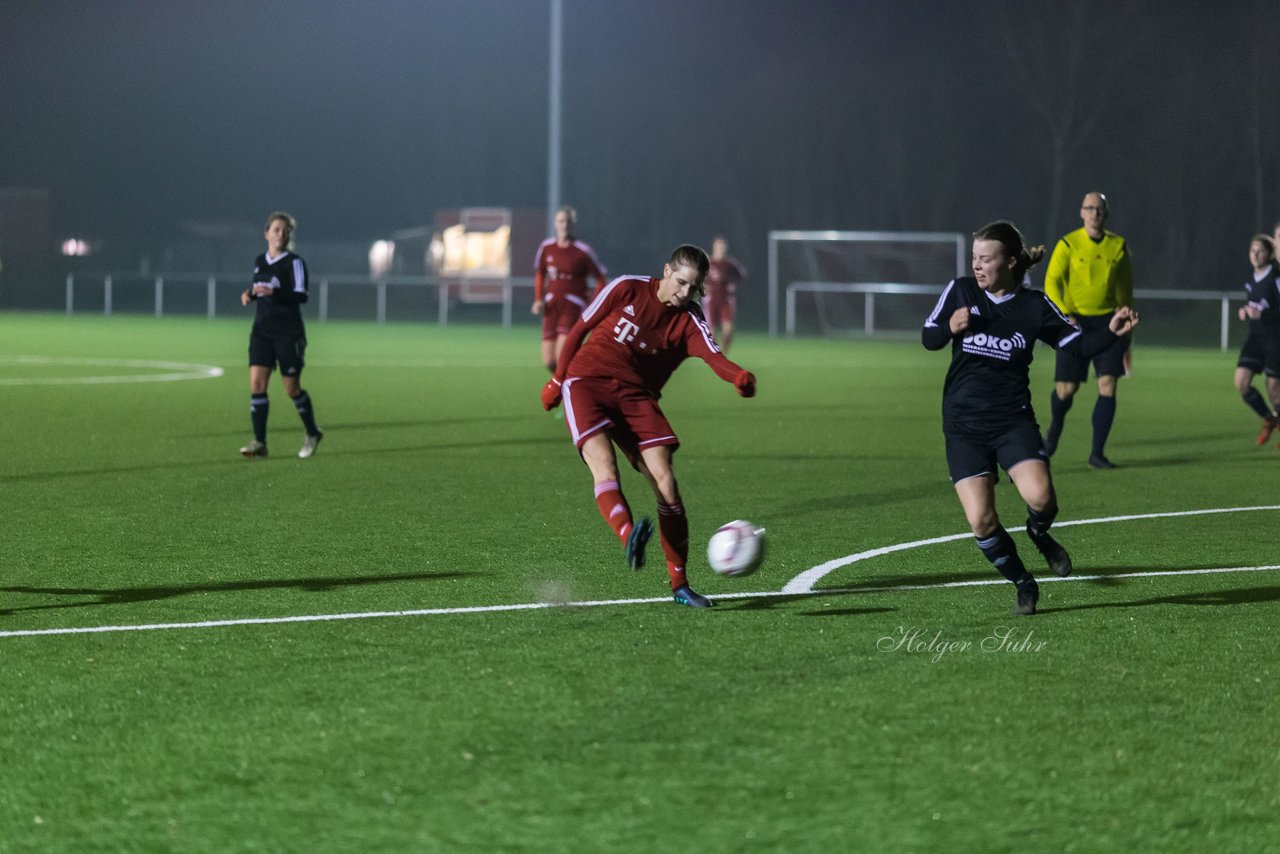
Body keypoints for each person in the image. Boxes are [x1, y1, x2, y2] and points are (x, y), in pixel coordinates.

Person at [922, 221, 1139, 616]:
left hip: (1012, 421)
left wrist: (1112, 332)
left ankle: (1038, 533)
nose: (977, 266)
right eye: (974, 258)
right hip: (963, 426)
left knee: (1042, 498)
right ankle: (1023, 582)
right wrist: (948, 328)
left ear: (1010, 262)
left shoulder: (1034, 306)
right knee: (982, 522)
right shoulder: (960, 291)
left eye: (986, 259)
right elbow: (928, 335)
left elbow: (1078, 346)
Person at [540, 244, 757, 609]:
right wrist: (557, 381)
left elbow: (714, 356)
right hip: (587, 382)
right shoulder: (627, 287)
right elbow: (581, 328)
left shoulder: (689, 321)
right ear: (667, 271)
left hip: (637, 398)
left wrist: (739, 377)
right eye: (681, 282)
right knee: (604, 465)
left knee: (667, 484)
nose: (685, 292)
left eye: (694, 286)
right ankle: (629, 536)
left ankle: (680, 585)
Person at [1041, 192, 1134, 468]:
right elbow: (1051, 282)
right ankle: (1054, 430)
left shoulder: (1118, 246)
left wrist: (1125, 320)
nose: (1094, 213)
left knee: (1107, 384)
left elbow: (1125, 287)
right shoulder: (1068, 243)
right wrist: (1064, 315)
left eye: (1099, 209)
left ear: (1106, 214)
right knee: (1066, 390)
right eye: (1089, 208)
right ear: (1081, 212)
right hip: (1074, 323)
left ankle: (1097, 453)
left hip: (1109, 322)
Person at [238, 211, 323, 459]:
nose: (281, 235)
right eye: (276, 230)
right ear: (266, 234)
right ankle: (260, 442)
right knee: (257, 384)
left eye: (286, 231)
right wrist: (250, 294)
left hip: (288, 333)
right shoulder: (259, 261)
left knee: (291, 388)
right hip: (262, 331)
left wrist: (272, 294)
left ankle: (312, 432)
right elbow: (261, 289)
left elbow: (301, 296)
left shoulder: (294, 262)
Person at [532, 206, 608, 373]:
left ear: (573, 224)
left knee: (561, 357)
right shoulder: (546, 247)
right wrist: (538, 299)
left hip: (573, 306)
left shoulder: (582, 251)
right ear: (555, 224)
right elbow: (540, 273)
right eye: (560, 221)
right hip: (551, 306)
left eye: (567, 221)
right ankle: (568, 384)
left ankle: (570, 390)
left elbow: (601, 278)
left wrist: (595, 304)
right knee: (549, 361)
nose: (564, 225)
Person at [1234, 234, 1280, 443]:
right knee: (1241, 383)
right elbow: (1254, 306)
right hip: (1256, 339)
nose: (1255, 254)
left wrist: (1263, 314)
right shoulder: (1250, 278)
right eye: (1252, 250)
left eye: (1260, 250)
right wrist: (1245, 311)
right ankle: (1269, 419)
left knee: (1274, 388)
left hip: (1275, 339)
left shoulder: (1276, 278)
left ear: (1269, 254)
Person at [703, 236, 746, 350]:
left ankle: (723, 353)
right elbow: (699, 277)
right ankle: (714, 352)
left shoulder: (730, 264)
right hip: (711, 299)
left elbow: (741, 277)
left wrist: (734, 285)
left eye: (723, 246)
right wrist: (703, 286)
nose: (721, 249)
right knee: (711, 331)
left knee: (728, 329)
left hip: (726, 299)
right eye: (719, 246)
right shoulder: (708, 262)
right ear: (714, 247)